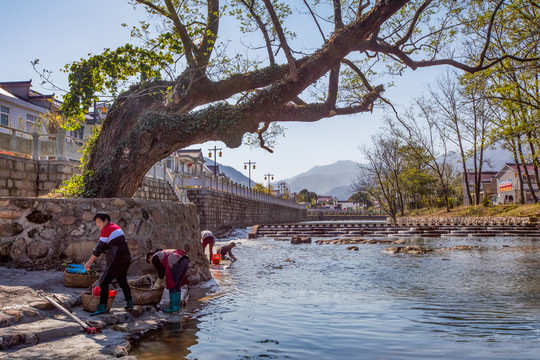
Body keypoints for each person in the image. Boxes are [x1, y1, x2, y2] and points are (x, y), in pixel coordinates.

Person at [84, 213, 133, 316]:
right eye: (96, 222)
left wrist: (89, 263)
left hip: (116, 259)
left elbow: (99, 248)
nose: (97, 225)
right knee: (122, 280)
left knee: (103, 283)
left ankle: (102, 307)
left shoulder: (107, 229)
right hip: (126, 258)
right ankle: (130, 302)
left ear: (106, 220)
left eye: (99, 222)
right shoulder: (115, 227)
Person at [146, 248, 189, 313]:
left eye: (150, 262)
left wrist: (156, 286)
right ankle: (177, 306)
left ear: (150, 257)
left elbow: (161, 273)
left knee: (172, 286)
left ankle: (173, 308)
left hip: (177, 263)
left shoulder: (155, 257)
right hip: (185, 260)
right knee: (177, 285)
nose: (152, 264)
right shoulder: (161, 253)